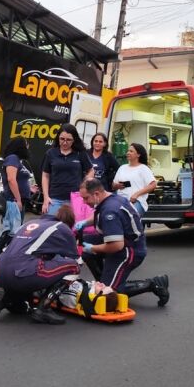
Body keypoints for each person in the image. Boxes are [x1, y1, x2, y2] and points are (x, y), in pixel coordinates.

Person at [78, 178, 169, 306]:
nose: (84, 202)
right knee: (83, 243)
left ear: (97, 194)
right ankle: (107, 279)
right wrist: (84, 222)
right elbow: (99, 214)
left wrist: (93, 248)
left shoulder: (110, 211)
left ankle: (153, 284)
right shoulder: (111, 198)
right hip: (122, 242)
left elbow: (116, 245)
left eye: (86, 198)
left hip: (129, 251)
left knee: (106, 293)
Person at [0, 204, 81, 324]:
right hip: (23, 272)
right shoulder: (62, 228)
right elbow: (77, 259)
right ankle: (43, 308)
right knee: (74, 267)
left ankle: (6, 298)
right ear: (69, 223)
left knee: (23, 307)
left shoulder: (30, 223)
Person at [0, 136, 34, 256]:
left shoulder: (18, 161)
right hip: (12, 201)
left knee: (13, 231)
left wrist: (30, 188)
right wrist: (18, 199)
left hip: (17, 201)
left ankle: (4, 258)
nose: (28, 147)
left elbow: (18, 179)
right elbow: (11, 179)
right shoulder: (12, 159)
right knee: (9, 232)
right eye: (26, 144)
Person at [41, 123, 92, 216]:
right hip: (54, 198)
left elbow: (91, 170)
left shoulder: (80, 154)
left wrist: (86, 183)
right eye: (62, 139)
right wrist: (46, 197)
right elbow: (45, 175)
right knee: (51, 226)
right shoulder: (51, 153)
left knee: (72, 229)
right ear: (58, 138)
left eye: (68, 140)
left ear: (74, 140)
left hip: (75, 199)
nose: (65, 142)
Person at [111, 142, 157, 216]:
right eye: (128, 151)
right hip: (120, 201)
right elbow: (113, 185)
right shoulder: (122, 167)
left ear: (138, 155)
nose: (128, 153)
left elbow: (153, 184)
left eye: (131, 151)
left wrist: (136, 194)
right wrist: (117, 186)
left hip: (136, 201)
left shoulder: (143, 168)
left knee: (129, 216)